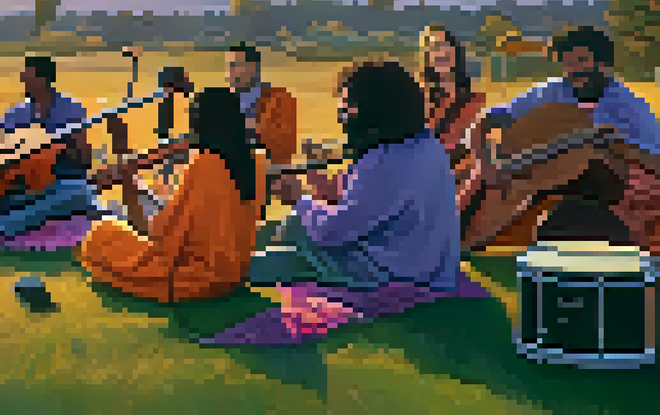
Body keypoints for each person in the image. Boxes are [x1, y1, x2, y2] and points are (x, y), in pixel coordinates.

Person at [251, 59, 461, 292]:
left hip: (392, 273)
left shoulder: (384, 159)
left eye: (348, 106)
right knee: (290, 228)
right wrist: (315, 176)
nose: (342, 114)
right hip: (427, 266)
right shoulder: (425, 143)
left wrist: (298, 199)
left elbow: (332, 231)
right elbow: (360, 204)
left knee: (285, 238)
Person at [458, 25, 660, 246]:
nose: (574, 70)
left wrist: (622, 148)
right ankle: (458, 237)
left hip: (599, 185)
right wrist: (487, 165)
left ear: (604, 64)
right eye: (568, 63)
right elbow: (483, 124)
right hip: (539, 173)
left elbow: (655, 158)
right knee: (480, 176)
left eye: (582, 61)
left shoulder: (630, 106)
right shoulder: (550, 91)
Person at [78, 88, 265, 302]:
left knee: (101, 235)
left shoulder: (204, 164)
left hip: (194, 279)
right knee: (113, 229)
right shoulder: (257, 161)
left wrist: (127, 177)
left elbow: (160, 236)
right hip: (235, 275)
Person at [0, 55, 106, 241]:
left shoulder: (72, 109)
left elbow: (84, 160)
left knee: (79, 192)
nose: (23, 80)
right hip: (23, 180)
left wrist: (62, 150)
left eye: (27, 77)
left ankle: (2, 225)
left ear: (43, 80)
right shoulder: (17, 112)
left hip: (62, 174)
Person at [419, 25, 487, 165]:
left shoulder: (475, 102)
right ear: (427, 57)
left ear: (456, 51)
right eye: (435, 47)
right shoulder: (420, 101)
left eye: (446, 45)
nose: (442, 52)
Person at [226, 43, 298, 167]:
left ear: (252, 67)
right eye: (230, 66)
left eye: (235, 66)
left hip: (271, 174)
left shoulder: (279, 99)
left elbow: (284, 146)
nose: (230, 73)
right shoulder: (224, 102)